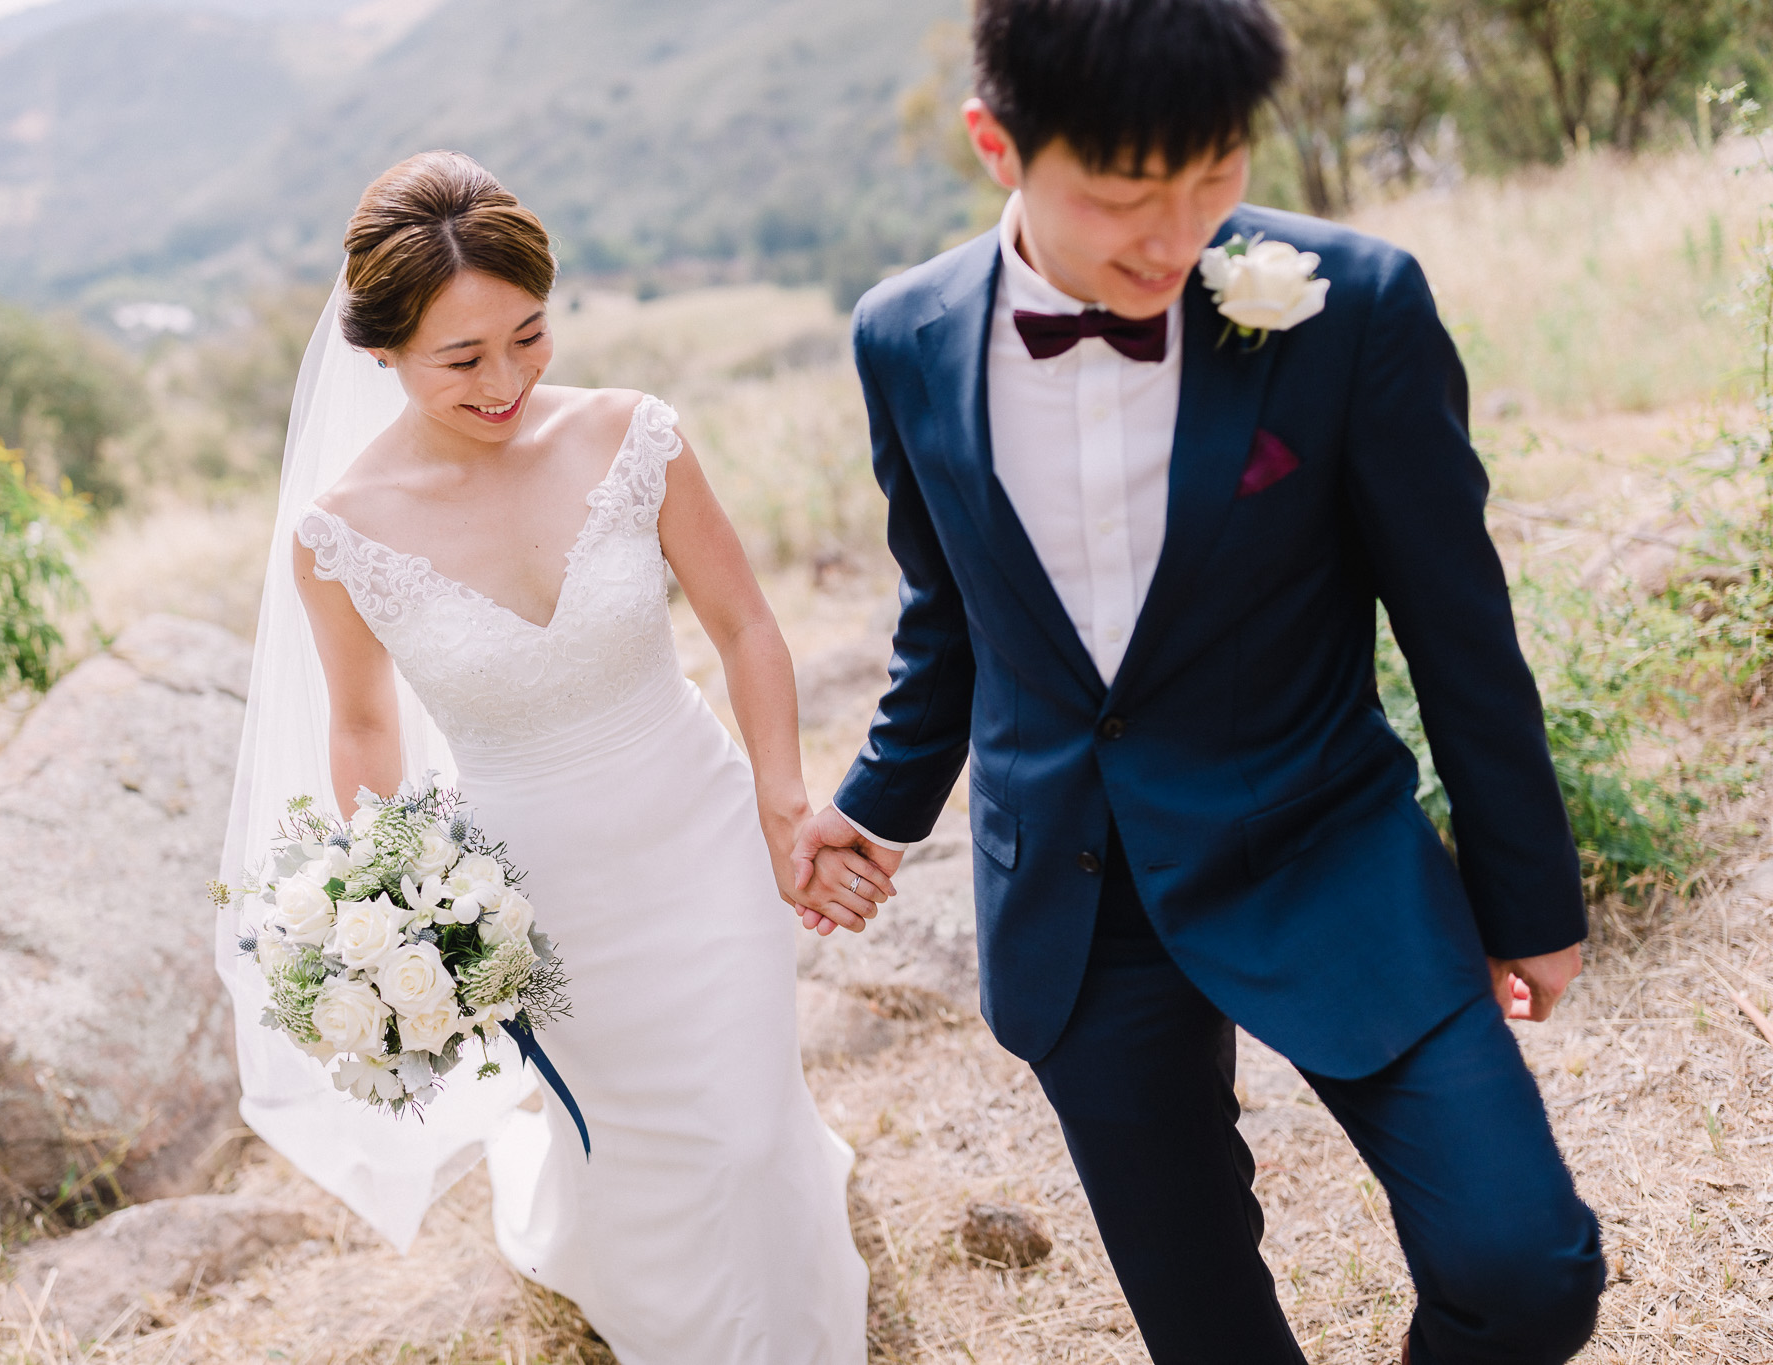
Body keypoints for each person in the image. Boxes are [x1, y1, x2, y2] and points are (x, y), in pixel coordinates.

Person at [789, 1, 1608, 1360]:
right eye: (1123, 195)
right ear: (999, 145)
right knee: (1211, 1332)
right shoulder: (903, 336)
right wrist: (874, 806)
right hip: (1078, 892)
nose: (1177, 239)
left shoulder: (1352, 309)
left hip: (1323, 843)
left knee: (1527, 1265)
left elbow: (1458, 622)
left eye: (1213, 176)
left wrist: (1530, 894)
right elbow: (951, 615)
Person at [219, 151, 871, 1363]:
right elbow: (363, 726)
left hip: (701, 828)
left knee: (742, 1130)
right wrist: (399, 907)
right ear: (382, 357)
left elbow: (744, 625)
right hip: (534, 894)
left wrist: (785, 801)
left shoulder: (632, 437)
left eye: (528, 335)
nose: (506, 379)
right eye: (461, 359)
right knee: (628, 1135)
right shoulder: (341, 535)